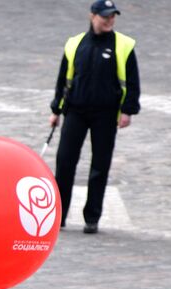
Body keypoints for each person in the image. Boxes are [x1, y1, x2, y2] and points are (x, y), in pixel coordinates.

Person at [52, 0, 139, 233]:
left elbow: (132, 82)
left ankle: (92, 217)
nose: (110, 20)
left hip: (106, 113)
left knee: (100, 165)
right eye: (105, 16)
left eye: (112, 16)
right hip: (76, 110)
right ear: (93, 16)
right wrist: (56, 110)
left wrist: (128, 110)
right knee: (65, 162)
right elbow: (64, 79)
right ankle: (58, 215)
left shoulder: (123, 45)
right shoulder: (75, 44)